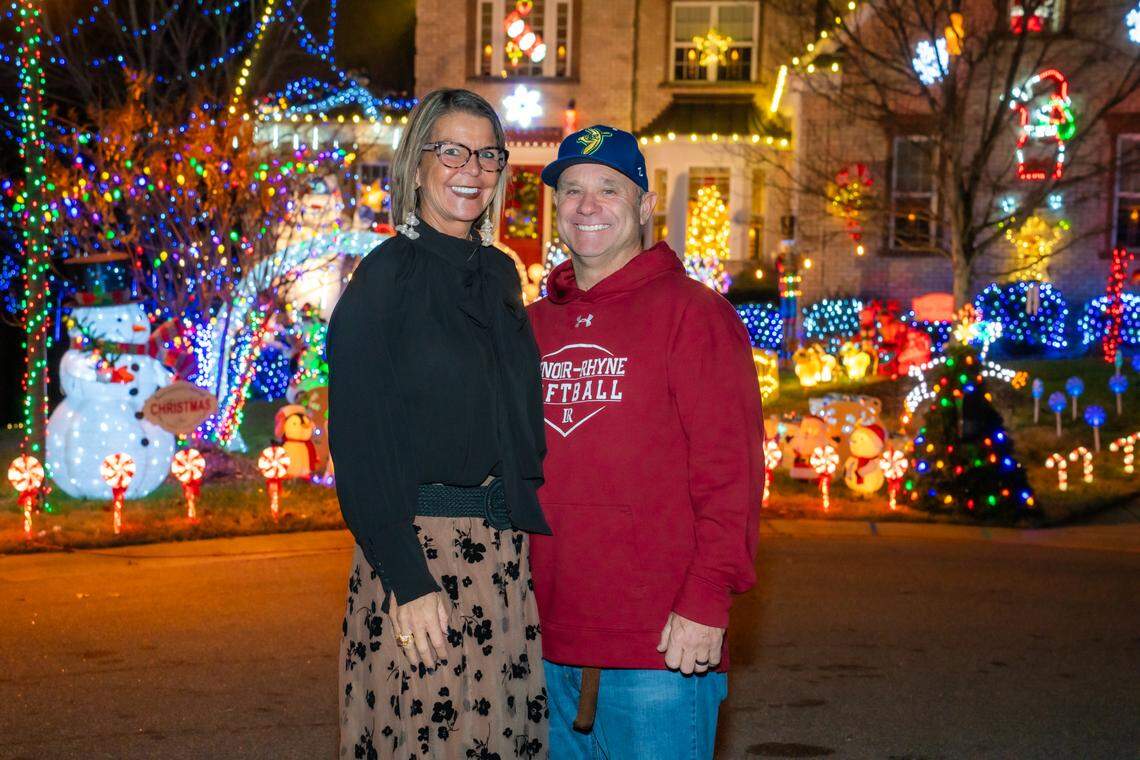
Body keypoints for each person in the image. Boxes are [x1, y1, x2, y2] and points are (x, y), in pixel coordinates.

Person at [526, 125, 764, 759]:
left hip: (659, 648)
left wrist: (708, 597)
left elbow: (731, 473)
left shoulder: (695, 314)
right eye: (571, 190)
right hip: (543, 644)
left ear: (643, 206)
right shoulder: (532, 325)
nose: (586, 206)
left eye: (609, 188)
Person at [327, 89, 550, 760]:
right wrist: (408, 577)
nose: (471, 169)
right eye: (451, 150)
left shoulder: (502, 275)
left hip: (502, 562)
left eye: (486, 154)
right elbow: (358, 445)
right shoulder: (385, 278)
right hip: (421, 559)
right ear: (417, 164)